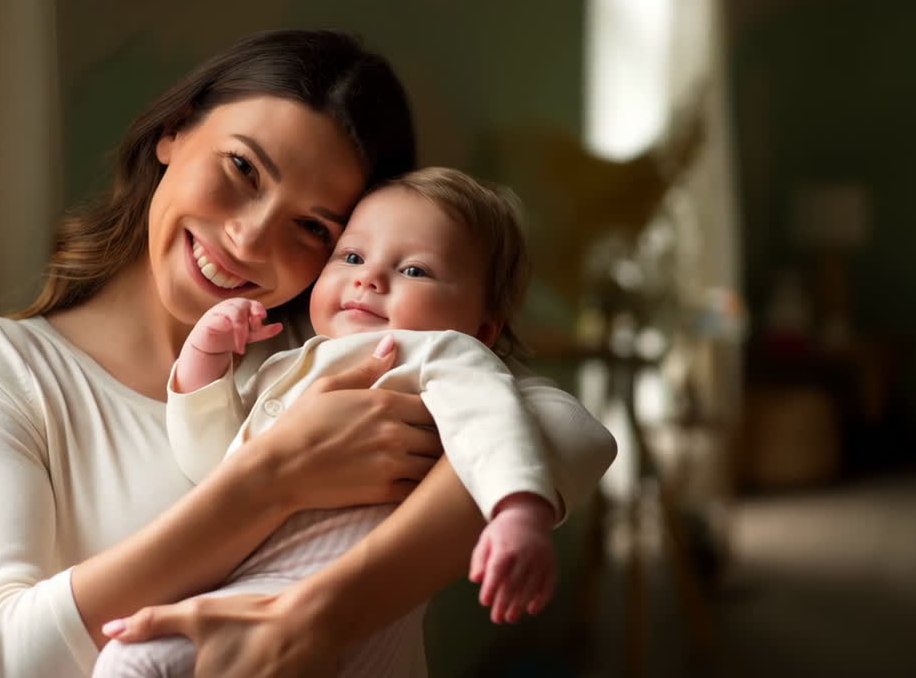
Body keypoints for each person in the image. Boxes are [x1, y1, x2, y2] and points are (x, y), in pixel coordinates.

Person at [0, 29, 616, 678]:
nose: (250, 241)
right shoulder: (1, 367)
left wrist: (320, 617)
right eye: (243, 168)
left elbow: (565, 430)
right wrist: (274, 476)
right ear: (175, 129)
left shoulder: (341, 353)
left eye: (313, 226)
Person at [93, 168, 571, 677]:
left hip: (335, 600)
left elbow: (494, 423)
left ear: (481, 328)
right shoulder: (283, 368)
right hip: (256, 594)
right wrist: (204, 360)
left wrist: (518, 511)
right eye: (351, 256)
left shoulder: (443, 356)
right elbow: (213, 462)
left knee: (135, 660)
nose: (368, 278)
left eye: (414, 271)